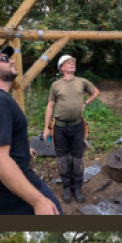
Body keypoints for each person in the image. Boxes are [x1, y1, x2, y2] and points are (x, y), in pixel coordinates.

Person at [0, 46, 62, 215]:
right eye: (5, 60)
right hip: (14, 192)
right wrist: (38, 201)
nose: (12, 60)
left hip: (2, 193)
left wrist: (21, 148)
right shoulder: (0, 102)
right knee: (53, 208)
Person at [43, 55, 99, 203]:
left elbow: (95, 92)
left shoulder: (82, 81)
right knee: (62, 159)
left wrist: (85, 103)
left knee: (77, 158)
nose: (72, 64)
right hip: (60, 128)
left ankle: (78, 187)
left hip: (77, 126)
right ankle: (67, 187)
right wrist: (45, 128)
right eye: (68, 62)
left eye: (73, 62)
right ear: (62, 68)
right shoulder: (56, 85)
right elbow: (50, 106)